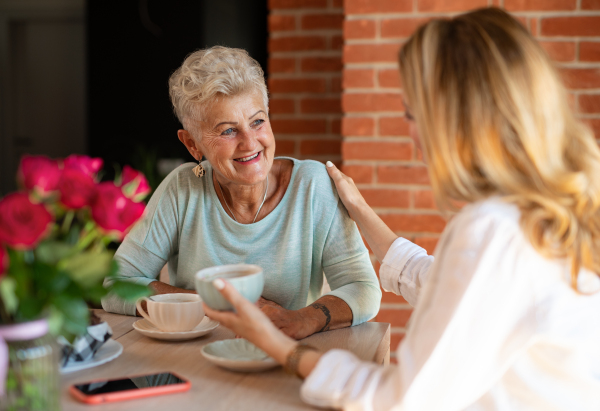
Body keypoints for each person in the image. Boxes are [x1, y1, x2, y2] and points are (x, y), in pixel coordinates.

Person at [204, 8, 600, 410]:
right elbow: (443, 283)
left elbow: (399, 399)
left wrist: (277, 346)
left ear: (455, 119)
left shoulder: (493, 228)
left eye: (412, 114)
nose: (411, 133)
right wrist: (357, 206)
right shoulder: (543, 210)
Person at [101, 46, 381, 339]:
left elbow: (363, 288)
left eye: (257, 122)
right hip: (192, 363)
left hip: (278, 360)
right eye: (228, 131)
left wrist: (304, 319)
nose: (250, 143)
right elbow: (117, 285)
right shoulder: (181, 189)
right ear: (192, 145)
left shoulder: (312, 185)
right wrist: (219, 304)